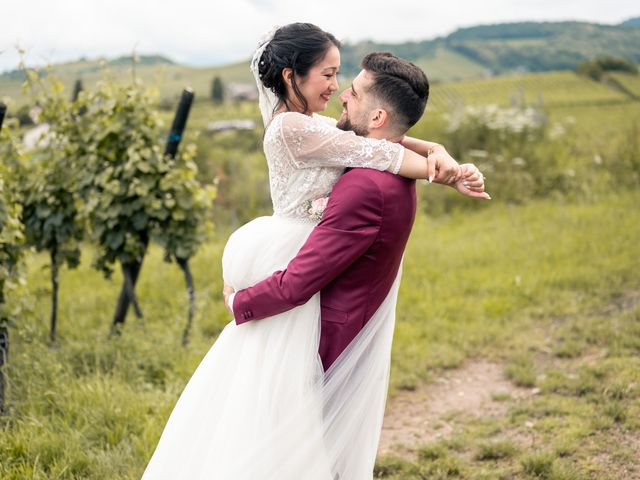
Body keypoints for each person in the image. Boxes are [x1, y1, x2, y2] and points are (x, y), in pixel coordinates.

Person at [141, 23, 486, 480]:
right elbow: (381, 152)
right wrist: (444, 172)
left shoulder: (312, 126)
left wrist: (438, 149)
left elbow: (377, 139)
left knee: (280, 394)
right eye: (327, 74)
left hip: (306, 258)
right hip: (290, 256)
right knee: (270, 389)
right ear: (291, 77)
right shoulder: (287, 129)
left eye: (341, 76)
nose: (336, 86)